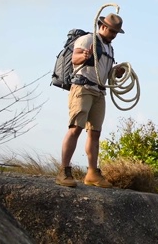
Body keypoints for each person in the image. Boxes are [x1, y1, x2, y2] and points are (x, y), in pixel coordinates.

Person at [55, 13, 127, 188]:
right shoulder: (88, 40)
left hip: (99, 91)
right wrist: (85, 56)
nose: (114, 35)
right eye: (112, 31)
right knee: (75, 129)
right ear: (102, 26)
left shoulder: (109, 48)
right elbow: (75, 59)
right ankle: (64, 170)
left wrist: (116, 72)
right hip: (83, 88)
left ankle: (92, 173)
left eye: (116, 32)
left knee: (95, 133)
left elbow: (105, 72)